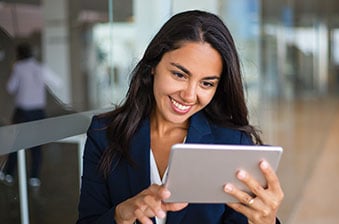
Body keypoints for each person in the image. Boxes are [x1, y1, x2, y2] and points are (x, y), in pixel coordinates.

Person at [77, 10, 283, 224]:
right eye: (179, 74)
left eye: (207, 83)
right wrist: (120, 216)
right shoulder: (104, 134)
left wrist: (266, 221)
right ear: (153, 67)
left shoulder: (232, 143)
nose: (189, 95)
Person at [0, 42, 60, 187]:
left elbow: (10, 88)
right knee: (36, 145)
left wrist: (13, 69)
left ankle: (8, 173)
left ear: (19, 54)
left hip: (23, 112)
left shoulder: (18, 68)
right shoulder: (40, 67)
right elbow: (58, 83)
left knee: (17, 143)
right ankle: (34, 176)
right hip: (38, 112)